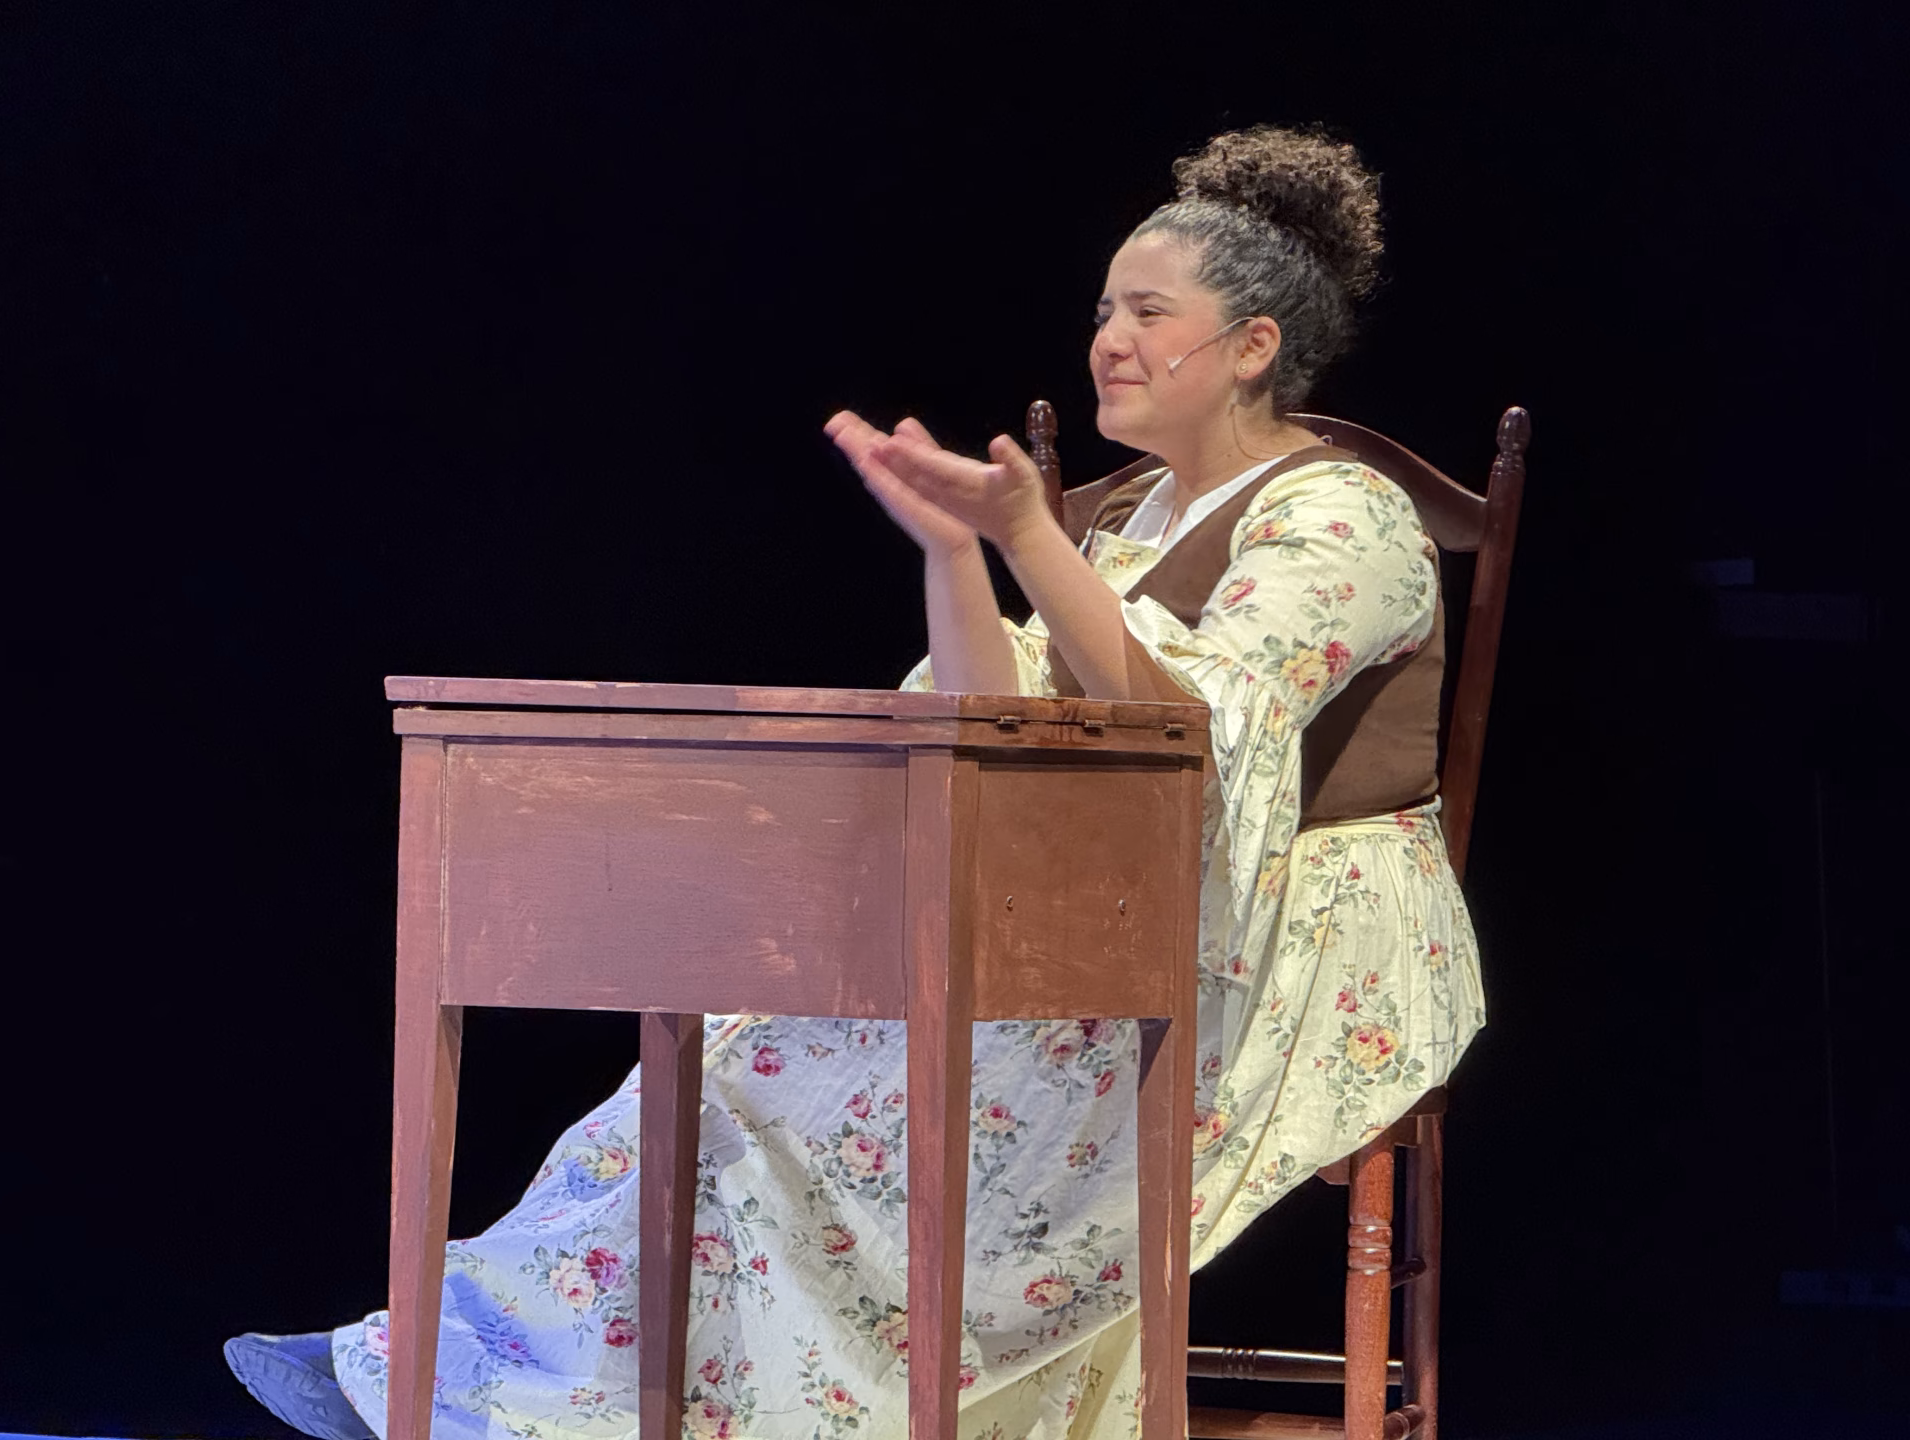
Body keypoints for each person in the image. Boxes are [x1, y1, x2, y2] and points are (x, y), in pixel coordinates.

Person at [227, 124, 1484, 1440]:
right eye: (1103, 311)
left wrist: (1029, 534)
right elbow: (1000, 712)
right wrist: (956, 554)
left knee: (847, 1116)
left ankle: (559, 1398)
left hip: (1301, 930)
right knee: (729, 1062)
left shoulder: (1343, 515)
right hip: (1111, 894)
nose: (1109, 339)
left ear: (1252, 344)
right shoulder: (1131, 521)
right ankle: (464, 1371)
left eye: (1148, 313)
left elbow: (1202, 729)